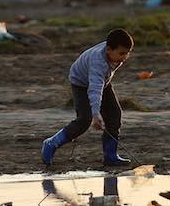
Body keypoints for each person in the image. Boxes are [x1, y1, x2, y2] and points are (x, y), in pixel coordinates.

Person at [41, 29, 134, 167]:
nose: (124, 57)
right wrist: (96, 114)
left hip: (102, 81)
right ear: (108, 49)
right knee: (85, 120)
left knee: (114, 114)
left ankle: (110, 156)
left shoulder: (112, 50)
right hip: (81, 83)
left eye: (127, 53)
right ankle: (51, 143)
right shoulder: (98, 62)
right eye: (122, 53)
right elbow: (95, 89)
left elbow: (100, 83)